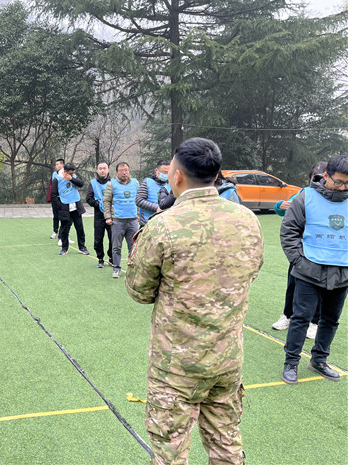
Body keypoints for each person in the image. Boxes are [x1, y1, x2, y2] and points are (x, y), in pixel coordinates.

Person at [125, 138, 264, 464]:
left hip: (177, 368)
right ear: (217, 175)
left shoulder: (163, 226)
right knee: (227, 447)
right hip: (227, 361)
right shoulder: (248, 220)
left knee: (170, 453)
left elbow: (139, 291)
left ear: (176, 176)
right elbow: (251, 273)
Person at [280, 155, 348, 385]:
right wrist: (300, 262)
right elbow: (289, 231)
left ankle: (319, 360)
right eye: (339, 182)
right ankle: (291, 363)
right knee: (301, 318)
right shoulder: (305, 197)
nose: (343, 187)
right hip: (308, 271)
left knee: (330, 320)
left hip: (342, 274)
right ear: (326, 176)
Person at [272, 162, 326, 337]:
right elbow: (284, 211)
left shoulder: (335, 197)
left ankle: (314, 322)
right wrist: (280, 205)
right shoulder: (303, 193)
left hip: (321, 252)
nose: (317, 182)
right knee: (293, 284)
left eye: (321, 178)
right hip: (300, 251)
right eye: (314, 178)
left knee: (319, 288)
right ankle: (288, 315)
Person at [103, 162, 139, 278]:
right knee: (116, 247)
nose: (124, 172)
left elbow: (139, 199)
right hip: (117, 220)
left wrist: (138, 214)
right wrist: (108, 217)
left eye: (126, 170)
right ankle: (116, 268)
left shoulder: (135, 183)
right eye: (122, 170)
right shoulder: (111, 184)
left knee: (133, 247)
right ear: (117, 172)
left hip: (133, 221)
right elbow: (106, 201)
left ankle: (132, 269)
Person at [50, 162, 89, 255]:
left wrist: (71, 178)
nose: (72, 175)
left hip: (76, 206)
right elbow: (53, 195)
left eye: (73, 173)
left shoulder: (74, 177)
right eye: (70, 173)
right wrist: (59, 205)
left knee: (80, 228)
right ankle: (64, 248)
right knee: (64, 229)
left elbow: (81, 184)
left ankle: (82, 247)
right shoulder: (57, 179)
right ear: (65, 171)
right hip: (64, 207)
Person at [86, 162, 113, 268]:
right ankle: (100, 258)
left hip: (111, 214)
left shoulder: (113, 182)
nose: (102, 170)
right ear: (97, 170)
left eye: (104, 168)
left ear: (108, 170)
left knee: (113, 238)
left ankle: (112, 258)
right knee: (98, 238)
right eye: (100, 168)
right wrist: (97, 204)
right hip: (99, 214)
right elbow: (89, 198)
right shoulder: (93, 183)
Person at [135, 160, 171, 227]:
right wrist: (156, 208)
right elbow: (139, 200)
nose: (166, 174)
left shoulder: (171, 185)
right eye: (164, 172)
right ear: (157, 171)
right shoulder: (147, 182)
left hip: (164, 225)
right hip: (147, 224)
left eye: (168, 172)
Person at [47, 159, 64, 241]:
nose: (56, 166)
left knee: (64, 216)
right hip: (55, 198)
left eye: (57, 164)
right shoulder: (54, 174)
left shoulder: (66, 173)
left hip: (63, 198)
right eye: (55, 164)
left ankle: (64, 233)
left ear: (62, 165)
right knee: (55, 215)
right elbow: (51, 186)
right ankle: (55, 231)